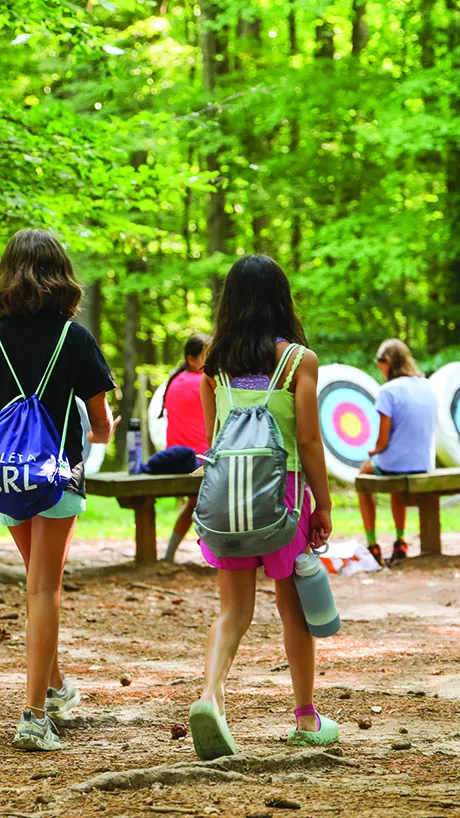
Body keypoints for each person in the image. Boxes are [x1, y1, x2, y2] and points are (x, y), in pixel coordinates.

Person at [188, 254, 339, 760]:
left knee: (234, 610)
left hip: (227, 503)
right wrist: (324, 504)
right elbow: (310, 442)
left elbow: (214, 441)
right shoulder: (299, 361)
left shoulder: (214, 365)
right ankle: (305, 717)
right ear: (281, 299)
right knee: (291, 607)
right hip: (284, 503)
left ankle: (211, 697)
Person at [0, 229, 120, 751]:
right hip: (58, 476)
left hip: (6, 476)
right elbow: (104, 426)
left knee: (35, 581)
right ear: (61, 274)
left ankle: (53, 687)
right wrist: (80, 430)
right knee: (43, 589)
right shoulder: (75, 338)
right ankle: (32, 717)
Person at [358, 339, 437, 567]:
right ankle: (400, 541)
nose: (380, 368)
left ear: (389, 361)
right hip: (423, 461)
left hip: (395, 462)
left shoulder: (388, 390)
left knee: (363, 476)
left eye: (381, 363)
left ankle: (372, 545)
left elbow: (382, 442)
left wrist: (373, 450)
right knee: (392, 481)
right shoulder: (427, 385)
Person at [162, 334, 209, 562]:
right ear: (192, 359)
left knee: (195, 502)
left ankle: (169, 554)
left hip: (175, 460)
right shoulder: (203, 382)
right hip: (198, 462)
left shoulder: (176, 379)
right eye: (206, 355)